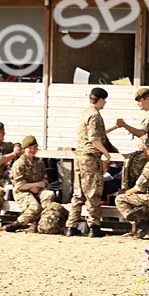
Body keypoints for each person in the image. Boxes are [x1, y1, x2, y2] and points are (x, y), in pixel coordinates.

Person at [66, 87, 115, 237]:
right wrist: (106, 153)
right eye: (104, 100)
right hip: (90, 158)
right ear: (100, 100)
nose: (105, 103)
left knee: (78, 193)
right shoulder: (95, 116)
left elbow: (94, 135)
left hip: (79, 156)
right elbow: (94, 138)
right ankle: (94, 226)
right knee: (93, 192)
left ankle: (71, 226)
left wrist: (113, 128)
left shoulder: (85, 113)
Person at [3, 136, 56, 233]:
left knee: (49, 195)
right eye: (29, 148)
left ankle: (40, 223)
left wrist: (38, 186)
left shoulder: (39, 162)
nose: (32, 150)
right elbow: (19, 185)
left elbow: (45, 180)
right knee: (35, 207)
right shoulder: (19, 164)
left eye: (35, 147)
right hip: (22, 192)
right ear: (24, 149)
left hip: (38, 189)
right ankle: (18, 224)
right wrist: (35, 185)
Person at [115, 87, 149, 191]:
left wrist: (124, 125)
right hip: (146, 150)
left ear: (147, 99)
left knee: (134, 171)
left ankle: (130, 192)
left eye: (140, 100)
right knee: (129, 163)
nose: (138, 103)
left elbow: (141, 133)